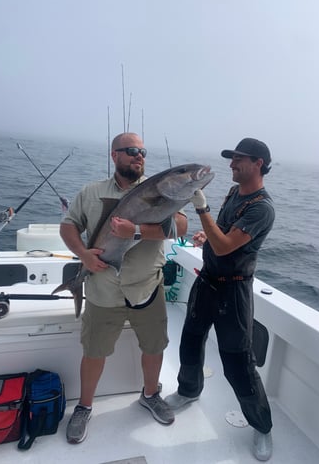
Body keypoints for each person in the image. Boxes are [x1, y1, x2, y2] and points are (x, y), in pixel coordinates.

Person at [60, 132, 187, 444]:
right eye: (130, 151)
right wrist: (83, 255)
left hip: (146, 287)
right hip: (104, 288)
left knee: (154, 347)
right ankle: (84, 406)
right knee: (94, 352)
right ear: (114, 155)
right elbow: (69, 225)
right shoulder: (91, 192)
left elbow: (181, 227)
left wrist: (138, 231)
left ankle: (150, 394)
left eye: (142, 151)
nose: (138, 156)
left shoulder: (162, 191)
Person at [165, 138, 275, 462]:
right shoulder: (233, 193)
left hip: (233, 293)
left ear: (258, 163)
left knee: (238, 364)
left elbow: (227, 246)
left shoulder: (262, 208)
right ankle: (188, 390)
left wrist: (202, 210)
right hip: (207, 282)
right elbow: (220, 236)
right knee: (190, 341)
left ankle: (262, 425)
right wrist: (205, 237)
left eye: (238, 159)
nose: (231, 164)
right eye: (231, 158)